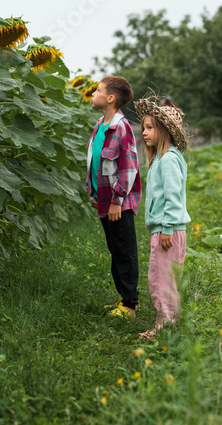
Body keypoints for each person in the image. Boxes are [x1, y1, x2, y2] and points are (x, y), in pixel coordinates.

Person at [134, 95, 191, 338]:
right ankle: (170, 322)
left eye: (149, 128)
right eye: (143, 128)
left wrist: (166, 227)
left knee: (161, 280)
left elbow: (173, 197)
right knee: (166, 278)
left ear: (164, 130)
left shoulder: (167, 159)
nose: (144, 133)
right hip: (168, 229)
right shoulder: (161, 157)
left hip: (168, 230)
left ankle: (164, 328)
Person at [86, 76, 141, 318]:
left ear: (110, 98)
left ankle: (130, 304)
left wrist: (117, 200)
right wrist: (93, 193)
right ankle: (124, 298)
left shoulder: (121, 127)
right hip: (105, 201)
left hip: (119, 203)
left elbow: (129, 167)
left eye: (97, 91)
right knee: (114, 248)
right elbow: (95, 162)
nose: (92, 94)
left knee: (124, 250)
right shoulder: (100, 125)